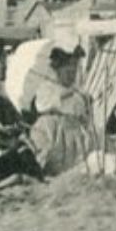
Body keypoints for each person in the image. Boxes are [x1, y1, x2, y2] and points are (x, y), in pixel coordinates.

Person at [28, 46, 96, 177]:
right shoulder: (47, 87)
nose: (72, 77)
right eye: (68, 73)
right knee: (54, 154)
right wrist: (64, 95)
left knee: (85, 150)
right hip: (52, 127)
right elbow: (42, 106)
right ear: (58, 72)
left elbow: (81, 111)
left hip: (74, 128)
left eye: (74, 73)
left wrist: (86, 103)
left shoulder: (76, 89)